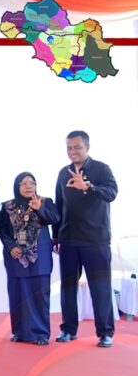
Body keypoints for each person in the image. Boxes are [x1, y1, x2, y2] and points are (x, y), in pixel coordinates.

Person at [53, 130, 118, 347]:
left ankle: (105, 332)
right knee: (68, 289)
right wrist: (55, 235)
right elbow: (59, 205)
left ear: (87, 147)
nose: (72, 151)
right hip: (69, 239)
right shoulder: (63, 173)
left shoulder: (101, 169)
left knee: (100, 288)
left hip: (95, 239)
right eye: (69, 148)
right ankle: (68, 330)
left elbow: (111, 193)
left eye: (77, 147)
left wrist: (88, 187)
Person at [0, 172, 60, 345]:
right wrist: (11, 247)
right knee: (18, 294)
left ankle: (41, 334)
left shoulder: (45, 202)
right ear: (17, 186)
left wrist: (40, 208)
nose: (28, 186)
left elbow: (55, 219)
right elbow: (2, 230)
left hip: (39, 258)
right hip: (16, 257)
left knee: (39, 295)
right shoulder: (7, 206)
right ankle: (20, 332)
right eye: (24, 183)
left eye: (32, 183)